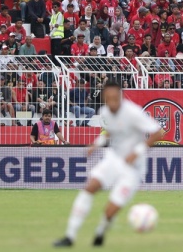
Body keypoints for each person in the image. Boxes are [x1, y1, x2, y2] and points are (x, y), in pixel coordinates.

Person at [54, 82, 163, 247]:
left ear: (120, 97)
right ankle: (69, 236)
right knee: (89, 187)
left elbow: (157, 132)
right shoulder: (105, 111)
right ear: (104, 98)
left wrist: (137, 152)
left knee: (110, 210)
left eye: (114, 97)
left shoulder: (133, 112)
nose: (111, 101)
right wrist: (95, 145)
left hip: (133, 168)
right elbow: (110, 131)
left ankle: (100, 233)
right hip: (113, 158)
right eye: (108, 97)